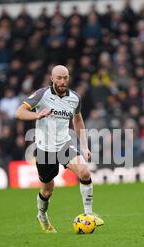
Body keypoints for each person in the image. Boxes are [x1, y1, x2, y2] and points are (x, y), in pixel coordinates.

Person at [15, 65, 104, 233]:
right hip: (44, 150)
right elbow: (19, 113)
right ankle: (41, 215)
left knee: (84, 172)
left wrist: (84, 146)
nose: (62, 81)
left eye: (65, 77)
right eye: (59, 78)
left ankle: (89, 214)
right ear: (52, 78)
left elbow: (78, 120)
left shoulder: (75, 98)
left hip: (64, 145)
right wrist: (37, 115)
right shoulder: (42, 95)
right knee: (47, 190)